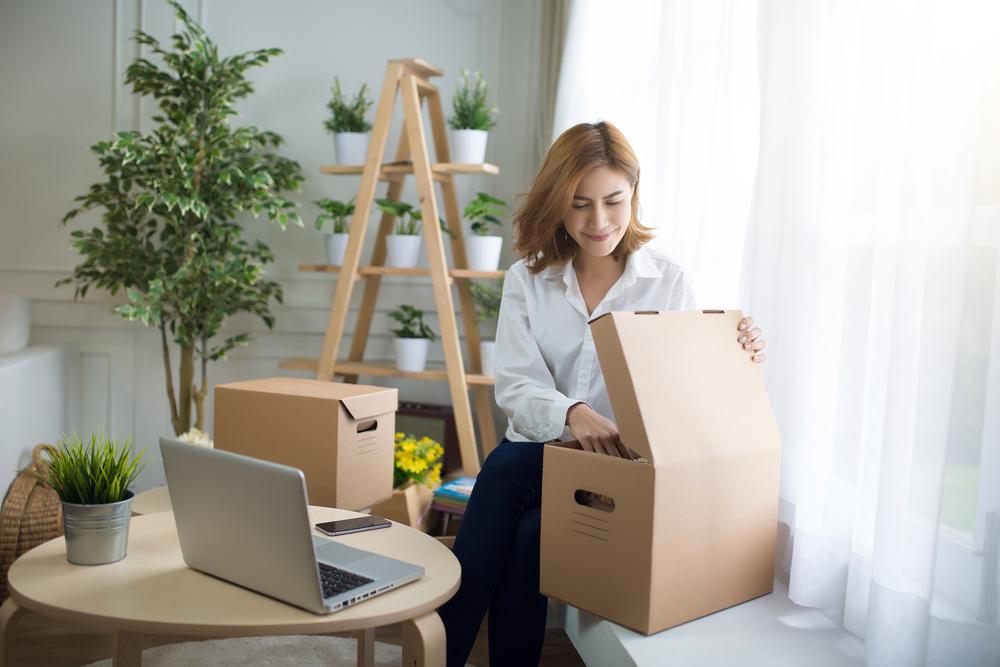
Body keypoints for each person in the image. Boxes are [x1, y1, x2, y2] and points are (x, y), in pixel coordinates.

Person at [437, 121, 767, 666]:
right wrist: (574, 412)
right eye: (579, 203)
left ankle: (441, 650)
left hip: (619, 468)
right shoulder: (528, 278)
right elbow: (516, 384)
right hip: (540, 454)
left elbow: (690, 385)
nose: (599, 222)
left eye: (613, 201)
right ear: (556, 203)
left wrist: (740, 347)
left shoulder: (668, 282)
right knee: (524, 534)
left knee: (502, 471)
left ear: (633, 194)